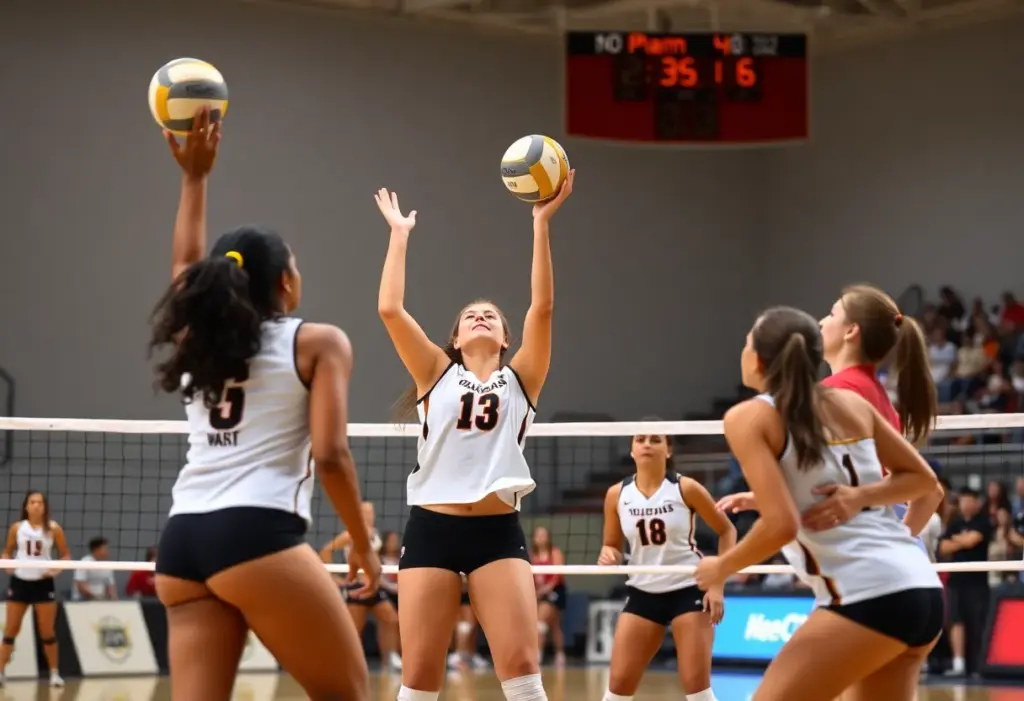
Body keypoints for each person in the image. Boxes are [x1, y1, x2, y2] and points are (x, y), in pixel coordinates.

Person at [148, 108, 378, 701]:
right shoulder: (318, 342)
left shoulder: (192, 337)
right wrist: (362, 541)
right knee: (348, 694)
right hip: (255, 534)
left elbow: (182, 271)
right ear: (286, 284)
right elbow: (329, 455)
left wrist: (194, 179)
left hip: (182, 544)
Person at [374, 172, 574, 701]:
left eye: (491, 316)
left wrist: (540, 224)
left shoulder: (521, 379)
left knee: (523, 668)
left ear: (506, 339)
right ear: (456, 338)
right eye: (470, 316)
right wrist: (399, 235)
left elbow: (544, 309)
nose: (481, 318)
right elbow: (390, 310)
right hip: (432, 529)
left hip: (496, 531)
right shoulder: (434, 373)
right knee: (419, 675)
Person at [694, 306, 944, 701]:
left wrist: (721, 567)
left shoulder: (747, 417)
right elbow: (925, 483)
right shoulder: (850, 404)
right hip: (921, 590)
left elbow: (782, 525)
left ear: (758, 359)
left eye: (745, 343)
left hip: (866, 595)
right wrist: (854, 498)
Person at [719, 284, 942, 537]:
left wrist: (900, 540)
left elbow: (929, 490)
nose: (822, 321)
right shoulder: (869, 390)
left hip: (861, 537)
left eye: (832, 313)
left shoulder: (838, 394)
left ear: (851, 331)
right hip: (874, 535)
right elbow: (926, 491)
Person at [598, 431, 735, 701]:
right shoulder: (616, 494)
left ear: (668, 451)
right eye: (640, 439)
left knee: (697, 687)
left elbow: (727, 530)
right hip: (643, 590)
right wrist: (609, 554)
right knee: (617, 686)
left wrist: (718, 584)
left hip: (688, 587)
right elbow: (611, 544)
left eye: (656, 439)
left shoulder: (686, 488)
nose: (647, 444)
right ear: (632, 450)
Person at [321, 502, 402, 671]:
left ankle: (389, 657)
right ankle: (345, 664)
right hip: (356, 587)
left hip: (374, 587)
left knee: (391, 619)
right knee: (354, 630)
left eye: (371, 512)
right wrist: (333, 577)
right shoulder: (350, 533)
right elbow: (326, 550)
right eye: (365, 512)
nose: (369, 515)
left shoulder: (375, 533)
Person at [0, 491, 70, 687]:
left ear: (45, 507)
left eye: (40, 502)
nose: (37, 505)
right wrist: (6, 564)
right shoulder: (17, 528)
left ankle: (54, 674)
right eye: (33, 502)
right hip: (20, 582)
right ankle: (0, 672)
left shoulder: (54, 529)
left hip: (42, 584)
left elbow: (65, 555)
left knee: (47, 631)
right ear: (26, 507)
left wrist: (56, 570)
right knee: (11, 630)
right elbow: (7, 550)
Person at [529, 526, 566, 667]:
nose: (540, 538)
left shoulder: (554, 552)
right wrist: (536, 591)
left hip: (555, 591)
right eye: (538, 535)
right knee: (552, 625)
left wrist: (547, 588)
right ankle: (559, 654)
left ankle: (538, 657)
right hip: (539, 592)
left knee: (544, 624)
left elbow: (558, 574)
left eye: (543, 535)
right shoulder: (532, 556)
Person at [73, 537, 117, 601]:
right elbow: (80, 585)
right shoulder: (84, 562)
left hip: (101, 599)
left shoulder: (108, 565)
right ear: (96, 550)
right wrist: (94, 598)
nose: (107, 552)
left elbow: (111, 586)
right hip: (83, 600)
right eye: (105, 549)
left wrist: (114, 600)